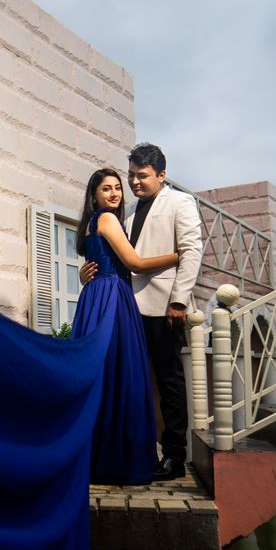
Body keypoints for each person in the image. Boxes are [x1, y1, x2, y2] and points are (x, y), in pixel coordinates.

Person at [80, 144, 203, 481]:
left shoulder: (181, 202)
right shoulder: (127, 210)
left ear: (161, 175)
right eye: (130, 175)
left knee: (168, 381)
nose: (133, 182)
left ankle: (174, 457)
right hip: (128, 308)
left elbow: (192, 251)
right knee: (136, 383)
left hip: (165, 306)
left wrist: (179, 300)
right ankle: (142, 450)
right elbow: (117, 255)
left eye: (141, 176)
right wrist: (86, 271)